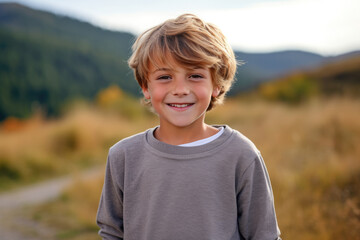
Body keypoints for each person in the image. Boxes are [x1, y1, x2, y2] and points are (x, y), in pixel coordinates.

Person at [96, 13, 281, 240]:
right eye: (165, 77)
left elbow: (264, 235)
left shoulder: (241, 154)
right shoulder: (123, 156)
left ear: (216, 85)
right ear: (146, 86)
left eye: (195, 75)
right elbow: (111, 232)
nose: (180, 89)